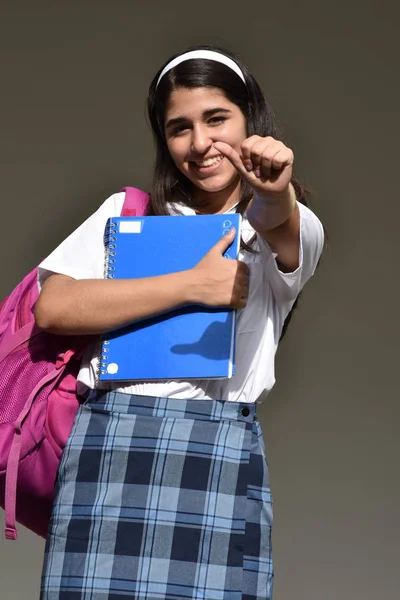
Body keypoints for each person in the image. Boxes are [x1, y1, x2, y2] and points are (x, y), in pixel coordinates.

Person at [36, 45, 324, 600]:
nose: (199, 143)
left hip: (214, 446)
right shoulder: (128, 214)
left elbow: (277, 217)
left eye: (217, 119)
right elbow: (53, 307)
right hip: (108, 446)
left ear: (250, 118)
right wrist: (191, 286)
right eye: (178, 128)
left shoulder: (281, 226)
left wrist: (273, 187)